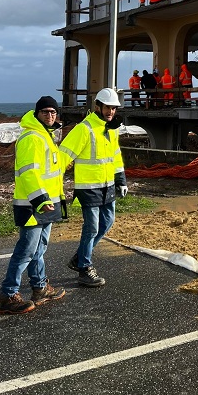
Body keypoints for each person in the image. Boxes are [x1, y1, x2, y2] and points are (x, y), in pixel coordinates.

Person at [0, 96, 66, 315]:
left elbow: (51, 175)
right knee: (26, 250)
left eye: (53, 112)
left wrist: (58, 198)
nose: (50, 115)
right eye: (45, 112)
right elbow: (29, 172)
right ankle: (8, 296)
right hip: (33, 205)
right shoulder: (32, 137)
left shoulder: (46, 136)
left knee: (39, 249)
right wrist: (41, 200)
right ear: (36, 114)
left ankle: (40, 288)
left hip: (46, 204)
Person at [59, 88, 127, 287]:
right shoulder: (84, 129)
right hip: (89, 188)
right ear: (98, 106)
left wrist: (121, 180)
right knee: (92, 228)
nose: (111, 112)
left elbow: (115, 157)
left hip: (107, 186)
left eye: (114, 109)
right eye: (107, 108)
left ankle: (79, 257)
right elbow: (63, 155)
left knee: (108, 222)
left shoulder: (111, 129)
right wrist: (53, 184)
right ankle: (84, 268)